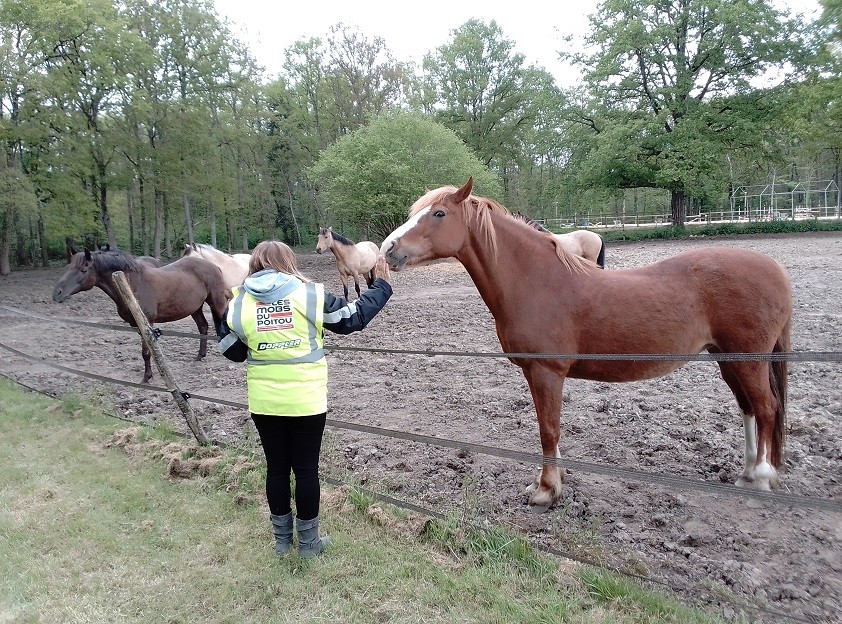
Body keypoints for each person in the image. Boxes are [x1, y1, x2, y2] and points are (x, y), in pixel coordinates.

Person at [216, 240, 392, 558]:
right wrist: (381, 286)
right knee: (307, 470)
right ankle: (309, 545)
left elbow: (234, 352)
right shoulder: (308, 294)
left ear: (254, 265)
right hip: (306, 400)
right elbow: (353, 318)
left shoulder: (237, 302)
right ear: (289, 263)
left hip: (264, 402)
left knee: (277, 469)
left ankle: (282, 544)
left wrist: (232, 326)